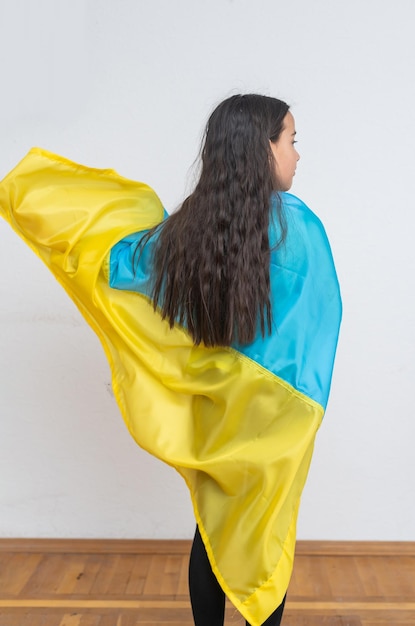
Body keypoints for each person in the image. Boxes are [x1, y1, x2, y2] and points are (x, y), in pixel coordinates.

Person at [0, 94, 342, 626]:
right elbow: (315, 320)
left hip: (215, 408)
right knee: (265, 530)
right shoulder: (297, 226)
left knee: (212, 526)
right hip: (276, 412)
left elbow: (120, 263)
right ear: (263, 148)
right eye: (291, 141)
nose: (297, 155)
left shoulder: (189, 230)